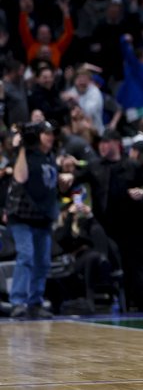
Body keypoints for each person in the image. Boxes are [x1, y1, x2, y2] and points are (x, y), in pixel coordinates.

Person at [3, 121, 64, 319]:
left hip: (43, 218)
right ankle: (18, 302)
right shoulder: (25, 154)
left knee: (43, 262)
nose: (50, 137)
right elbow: (20, 178)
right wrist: (22, 147)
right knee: (26, 256)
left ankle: (35, 302)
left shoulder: (50, 157)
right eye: (46, 134)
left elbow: (51, 186)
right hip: (22, 216)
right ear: (37, 137)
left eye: (51, 134)